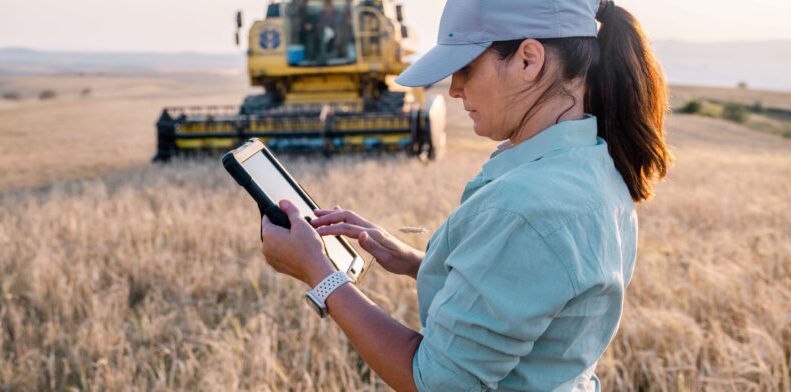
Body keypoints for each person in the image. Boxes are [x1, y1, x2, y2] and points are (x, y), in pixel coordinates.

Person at [259, 0, 671, 390]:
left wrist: (321, 275)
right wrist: (415, 262)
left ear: (529, 59)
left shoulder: (524, 206)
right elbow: (531, 294)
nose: (454, 89)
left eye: (466, 68)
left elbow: (435, 382)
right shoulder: (595, 163)